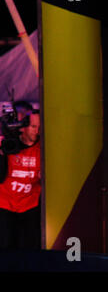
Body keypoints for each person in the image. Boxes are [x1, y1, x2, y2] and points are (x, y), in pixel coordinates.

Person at [0, 101, 41, 250]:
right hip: (5, 205)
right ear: (23, 127)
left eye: (39, 127)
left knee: (29, 250)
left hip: (30, 206)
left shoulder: (42, 148)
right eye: (33, 127)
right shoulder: (7, 143)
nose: (36, 132)